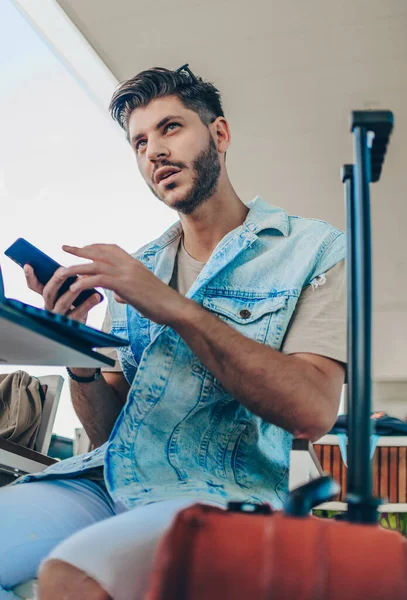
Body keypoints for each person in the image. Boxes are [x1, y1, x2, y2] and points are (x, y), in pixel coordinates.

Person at [0, 65, 346, 600]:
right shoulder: (136, 269)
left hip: (218, 492)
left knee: (75, 579)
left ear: (221, 135)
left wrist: (173, 307)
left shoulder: (313, 249)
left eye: (170, 128)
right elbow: (107, 431)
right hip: (103, 481)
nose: (153, 151)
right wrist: (81, 358)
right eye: (139, 142)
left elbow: (312, 410)